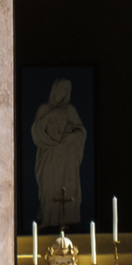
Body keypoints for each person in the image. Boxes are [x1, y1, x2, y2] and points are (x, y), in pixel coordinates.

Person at [32, 79, 86, 228]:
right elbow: (36, 132)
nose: (62, 93)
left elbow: (81, 132)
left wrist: (71, 137)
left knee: (68, 190)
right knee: (49, 191)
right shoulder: (44, 109)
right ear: (55, 89)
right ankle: (48, 221)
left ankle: (66, 224)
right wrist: (51, 139)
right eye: (61, 89)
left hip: (67, 161)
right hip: (49, 160)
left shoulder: (70, 111)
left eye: (66, 90)